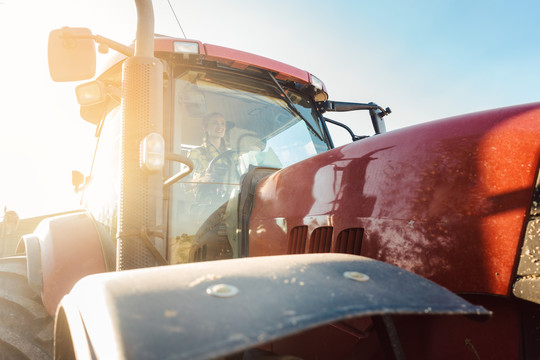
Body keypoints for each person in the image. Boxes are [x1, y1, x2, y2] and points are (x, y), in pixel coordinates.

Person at [188, 112, 233, 184]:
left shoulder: (231, 154)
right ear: (205, 128)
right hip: (206, 194)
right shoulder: (196, 153)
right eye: (215, 123)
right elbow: (184, 183)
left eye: (222, 123)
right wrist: (202, 180)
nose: (220, 126)